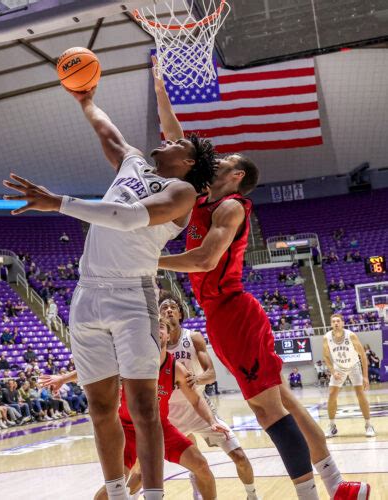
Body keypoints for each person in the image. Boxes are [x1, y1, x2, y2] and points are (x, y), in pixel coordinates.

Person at [154, 61, 370, 500]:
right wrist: (159, 85)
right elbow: (175, 136)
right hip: (222, 314)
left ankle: (311, 493)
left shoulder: (231, 206)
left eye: (227, 162)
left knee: (268, 410)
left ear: (237, 177)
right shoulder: (200, 194)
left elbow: (204, 258)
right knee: (282, 404)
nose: (217, 161)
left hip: (233, 310)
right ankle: (337, 484)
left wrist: (150, 260)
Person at [3, 68, 216, 500]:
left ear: (188, 164)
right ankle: (118, 494)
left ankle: (154, 495)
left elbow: (127, 218)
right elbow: (109, 133)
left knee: (142, 408)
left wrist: (57, 202)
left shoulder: (181, 195)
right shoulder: (135, 161)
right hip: (87, 295)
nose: (169, 138)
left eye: (178, 143)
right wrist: (85, 101)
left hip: (132, 297)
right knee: (100, 408)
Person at [41, 318, 229, 500]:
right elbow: (97, 370)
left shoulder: (176, 368)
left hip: (159, 428)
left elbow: (196, 400)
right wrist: (63, 379)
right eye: (151, 327)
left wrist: (213, 421)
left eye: (161, 326)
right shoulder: (129, 360)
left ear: (168, 335)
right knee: (113, 489)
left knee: (202, 466)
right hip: (127, 430)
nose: (156, 330)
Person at [159, 292, 259, 500]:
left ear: (180, 313)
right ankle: (196, 488)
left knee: (239, 456)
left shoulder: (193, 337)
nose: (168, 310)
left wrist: (197, 379)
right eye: (163, 308)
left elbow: (211, 374)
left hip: (199, 408)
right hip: (169, 416)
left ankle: (252, 495)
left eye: (172, 307)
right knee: (189, 464)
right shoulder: (155, 344)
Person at [323, 314, 376, 438]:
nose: (336, 323)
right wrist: (332, 370)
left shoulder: (351, 335)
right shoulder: (326, 337)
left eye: (338, 321)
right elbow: (326, 356)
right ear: (331, 324)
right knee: (331, 395)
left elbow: (363, 355)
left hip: (354, 366)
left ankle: (369, 425)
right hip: (339, 368)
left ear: (342, 323)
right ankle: (332, 426)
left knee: (360, 394)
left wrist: (366, 376)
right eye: (333, 321)